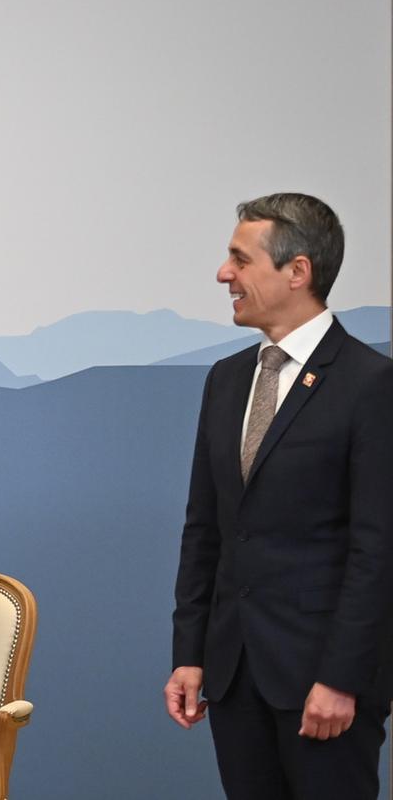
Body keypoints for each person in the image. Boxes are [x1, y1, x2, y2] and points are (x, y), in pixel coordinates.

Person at [166, 193, 393, 799]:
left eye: (240, 260)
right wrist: (190, 653)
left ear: (298, 272)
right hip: (235, 676)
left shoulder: (371, 385)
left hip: (324, 685)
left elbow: (379, 551)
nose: (224, 274)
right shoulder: (226, 379)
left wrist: (342, 679)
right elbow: (206, 529)